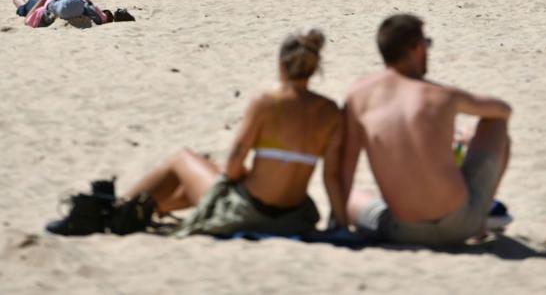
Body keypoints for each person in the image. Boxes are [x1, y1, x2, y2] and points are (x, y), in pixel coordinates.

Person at [46, 28, 347, 237]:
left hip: (253, 212)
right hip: (294, 216)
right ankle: (141, 209)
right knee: (201, 177)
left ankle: (106, 211)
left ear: (281, 64)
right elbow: (331, 176)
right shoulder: (330, 110)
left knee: (182, 159)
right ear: (314, 67)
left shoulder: (267, 102)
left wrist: (241, 175)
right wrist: (340, 224)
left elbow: (232, 166)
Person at [341, 13, 511, 247]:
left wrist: (337, 224)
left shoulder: (359, 94)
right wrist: (464, 131)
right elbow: (503, 110)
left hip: (401, 230)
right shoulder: (440, 96)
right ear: (417, 48)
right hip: (460, 225)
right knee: (496, 123)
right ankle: (480, 223)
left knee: (352, 197)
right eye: (426, 44)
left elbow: (346, 164)